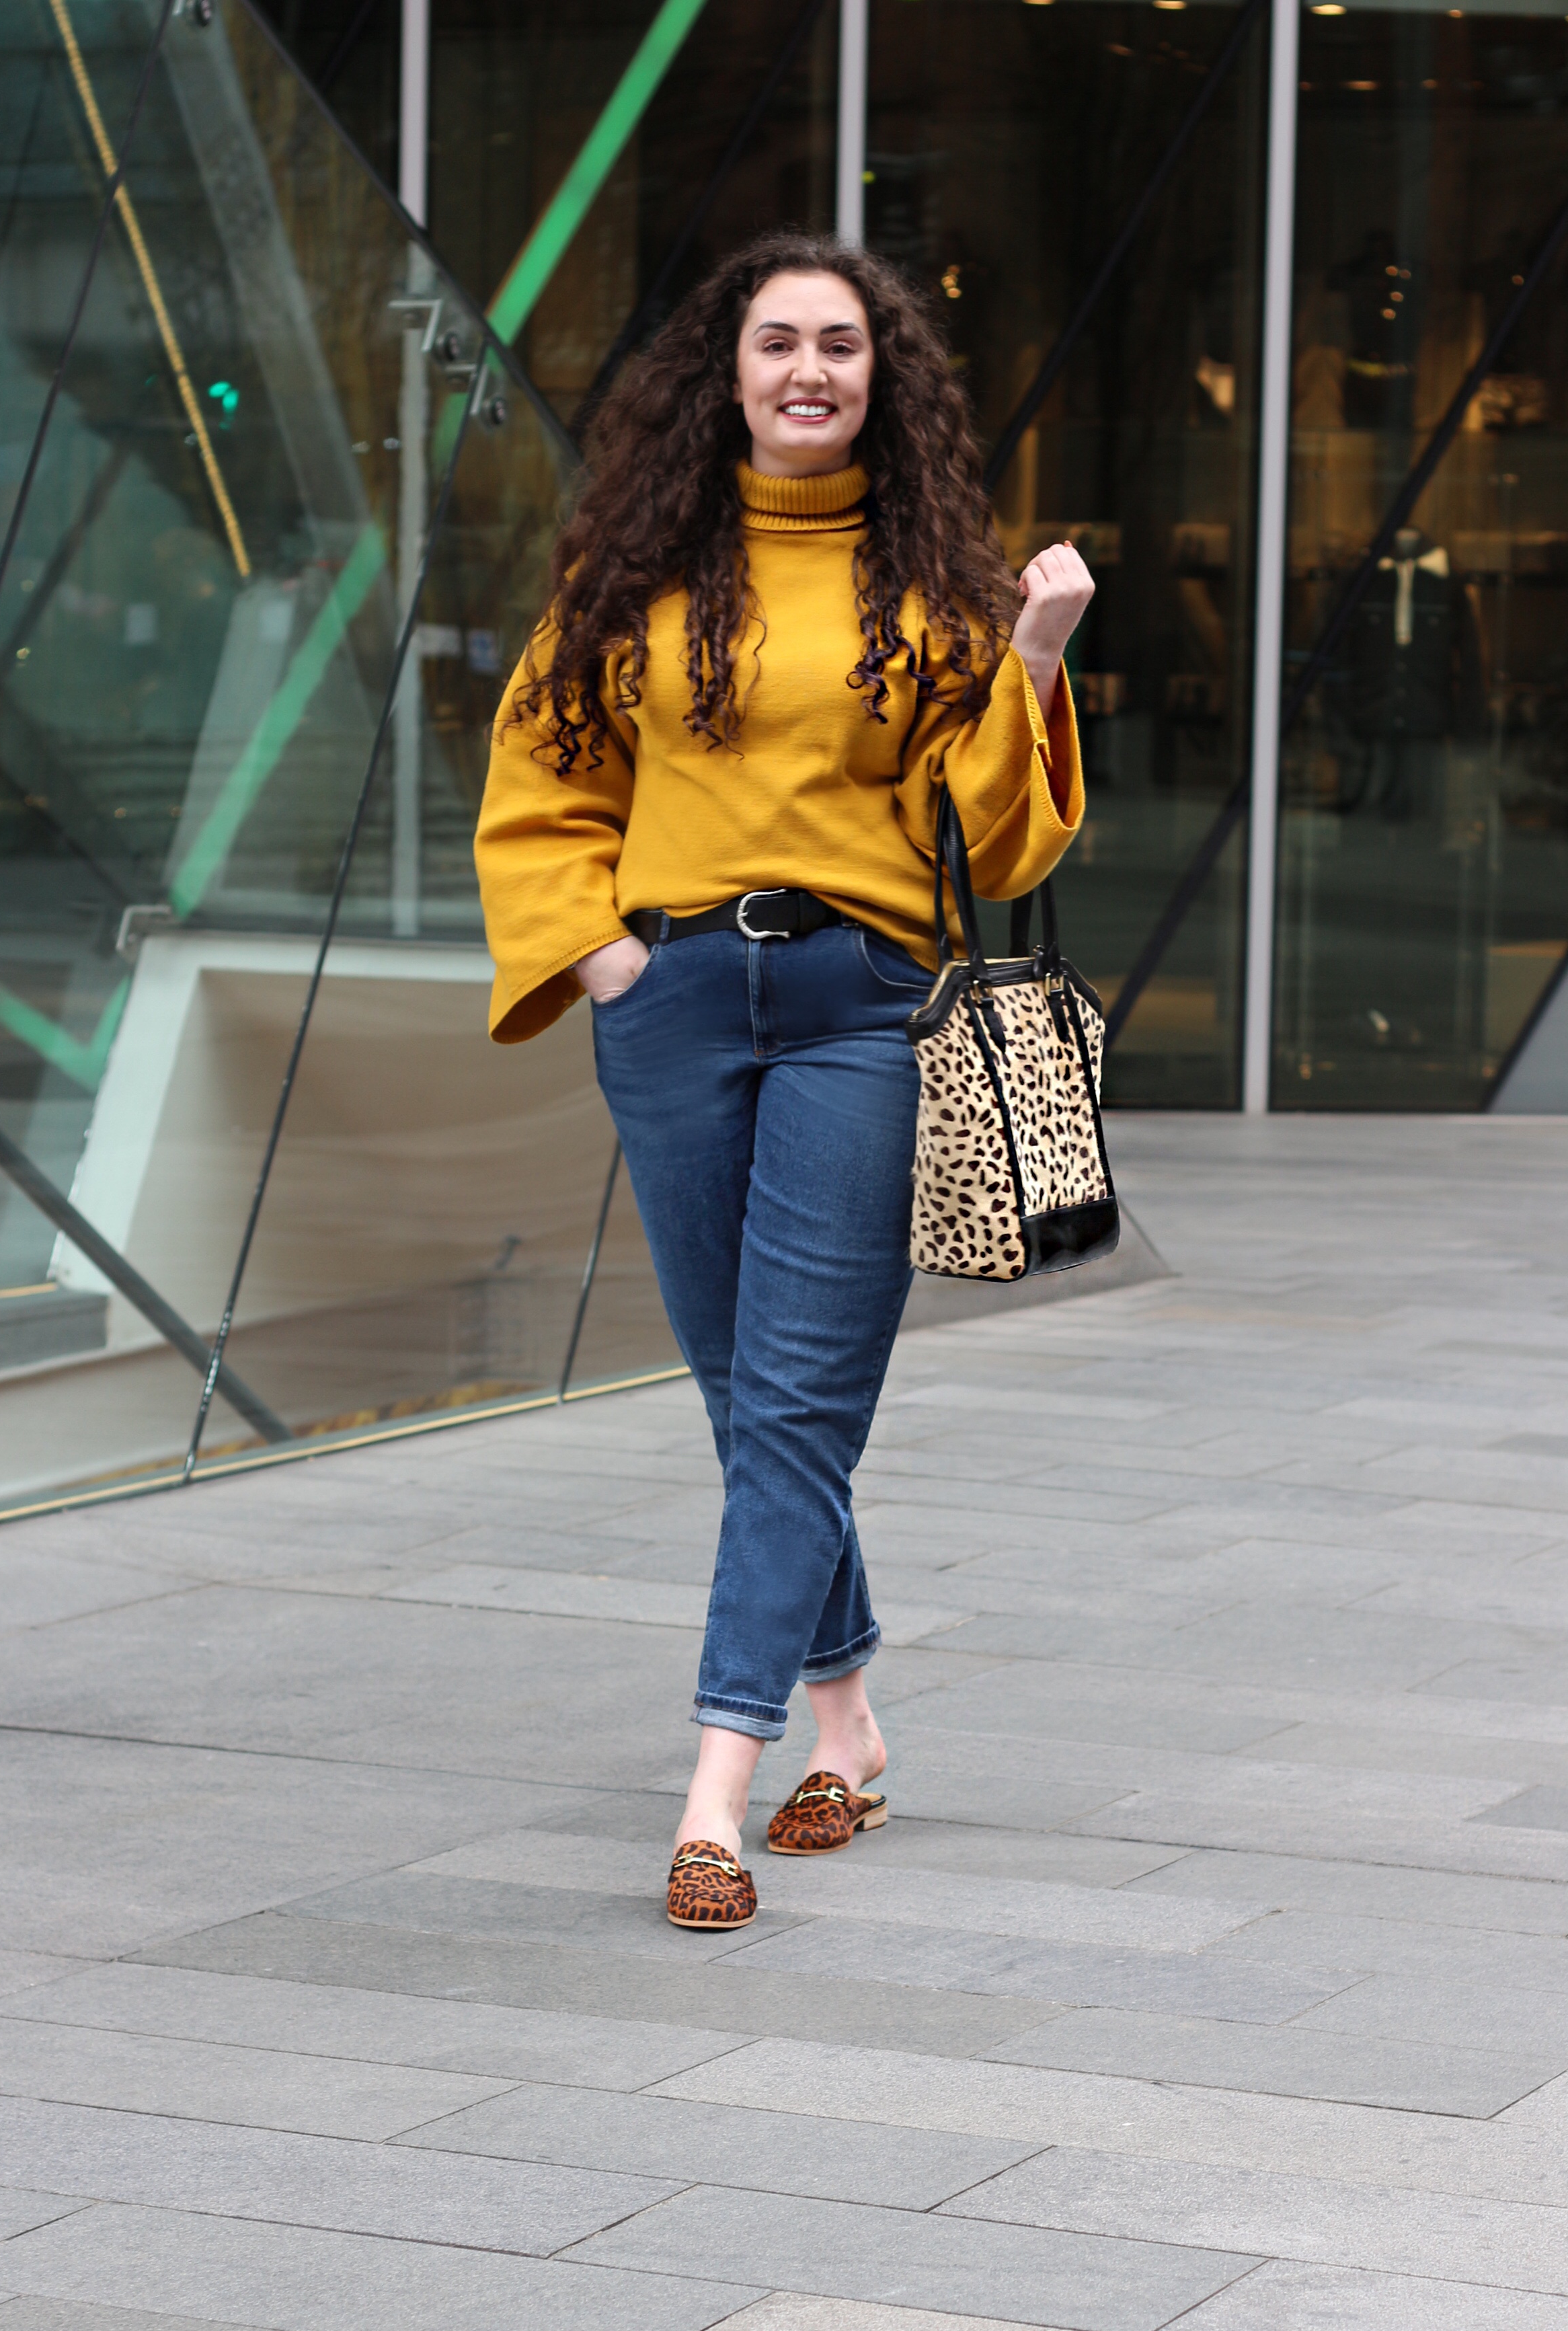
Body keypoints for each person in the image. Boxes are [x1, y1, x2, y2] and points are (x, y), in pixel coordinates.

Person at [474, 231, 1091, 1930]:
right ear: (727, 373)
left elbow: (1001, 833)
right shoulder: (634, 562)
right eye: (778, 342)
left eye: (842, 344)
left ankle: (715, 1791)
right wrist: (605, 957)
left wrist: (1033, 653)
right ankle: (853, 1724)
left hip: (860, 1012)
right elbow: (543, 774)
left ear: (884, 379)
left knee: (799, 1401)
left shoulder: (940, 585)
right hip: (669, 999)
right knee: (747, 1394)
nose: (808, 369)